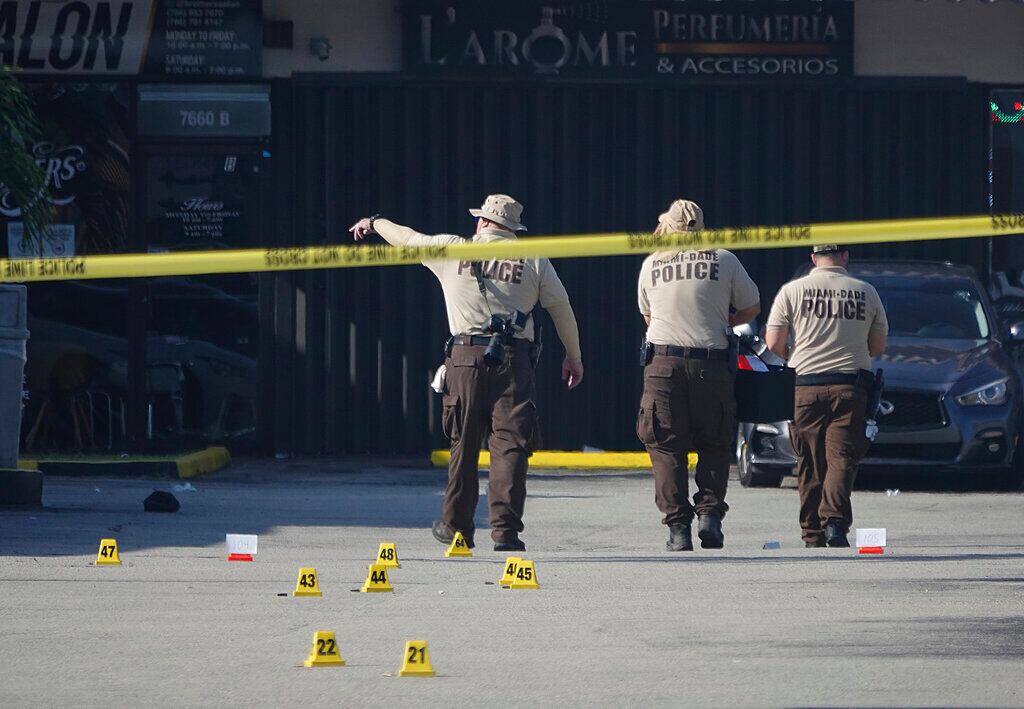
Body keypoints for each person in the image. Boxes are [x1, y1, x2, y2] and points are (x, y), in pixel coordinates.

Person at [349, 195, 584, 552]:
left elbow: (407, 238)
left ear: (483, 222)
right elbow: (560, 307)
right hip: (515, 361)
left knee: (464, 443)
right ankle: (505, 532)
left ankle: (456, 528)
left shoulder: (453, 250)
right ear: (513, 229)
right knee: (510, 447)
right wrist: (574, 356)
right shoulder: (534, 258)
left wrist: (375, 221)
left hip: (464, 358)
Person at [636, 199, 761, 551]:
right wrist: (724, 320)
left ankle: (678, 529)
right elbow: (752, 306)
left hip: (663, 364)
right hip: (712, 363)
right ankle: (709, 516)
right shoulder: (724, 259)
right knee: (715, 442)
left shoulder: (652, 264)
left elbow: (649, 317)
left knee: (665, 445)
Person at [765, 245, 888, 548]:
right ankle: (834, 524)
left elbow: (774, 342)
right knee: (841, 458)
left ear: (813, 257)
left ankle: (811, 532)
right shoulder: (866, 292)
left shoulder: (792, 291)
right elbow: (878, 347)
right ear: (845, 256)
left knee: (810, 462)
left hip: (804, 386)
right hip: (850, 387)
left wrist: (797, 355)